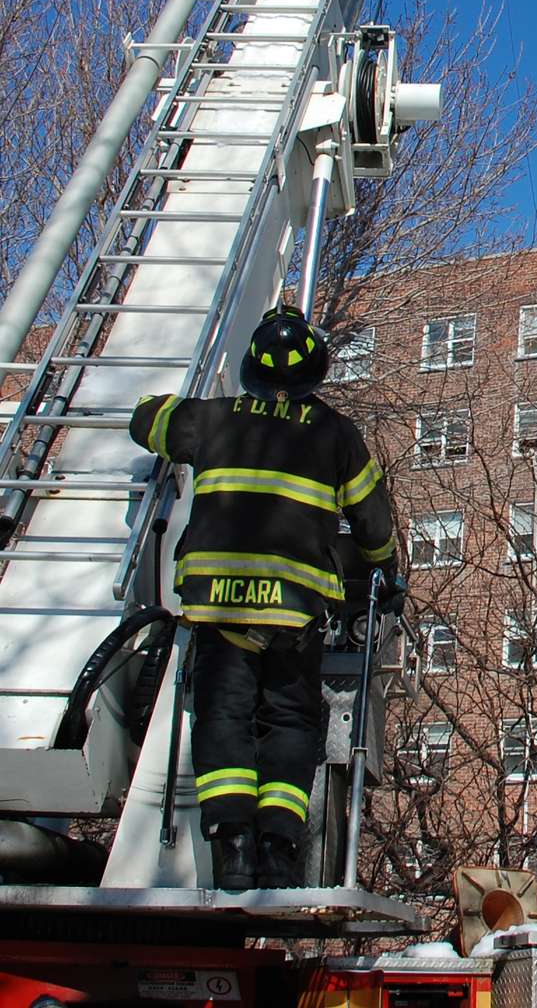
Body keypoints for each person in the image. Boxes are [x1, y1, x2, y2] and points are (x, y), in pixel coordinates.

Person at [129, 304, 395, 893]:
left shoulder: (212, 420)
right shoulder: (335, 433)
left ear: (252, 368)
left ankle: (232, 846)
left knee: (223, 715)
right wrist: (388, 574)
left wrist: (163, 401)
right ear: (314, 372)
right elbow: (373, 523)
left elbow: (145, 418)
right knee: (291, 719)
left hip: (219, 607)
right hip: (293, 612)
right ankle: (278, 847)